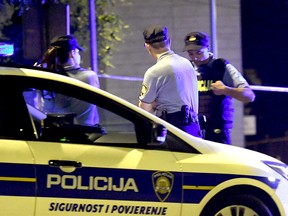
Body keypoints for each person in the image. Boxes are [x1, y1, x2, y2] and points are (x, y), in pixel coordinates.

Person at [183, 31, 255, 144]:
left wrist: (226, 90)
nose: (195, 57)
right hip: (193, 131)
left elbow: (249, 96)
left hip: (217, 132)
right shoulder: (185, 69)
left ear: (207, 47)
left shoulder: (221, 67)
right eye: (190, 53)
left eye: (199, 52)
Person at [139, 25, 202, 138]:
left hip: (172, 130)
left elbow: (144, 110)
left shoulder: (154, 72)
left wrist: (153, 103)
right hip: (194, 128)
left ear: (148, 46)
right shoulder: (187, 63)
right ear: (169, 41)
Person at [37, 35, 100, 126]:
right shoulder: (88, 76)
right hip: (82, 133)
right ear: (72, 53)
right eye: (78, 53)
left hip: (51, 133)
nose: (79, 56)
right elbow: (88, 116)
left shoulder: (45, 78)